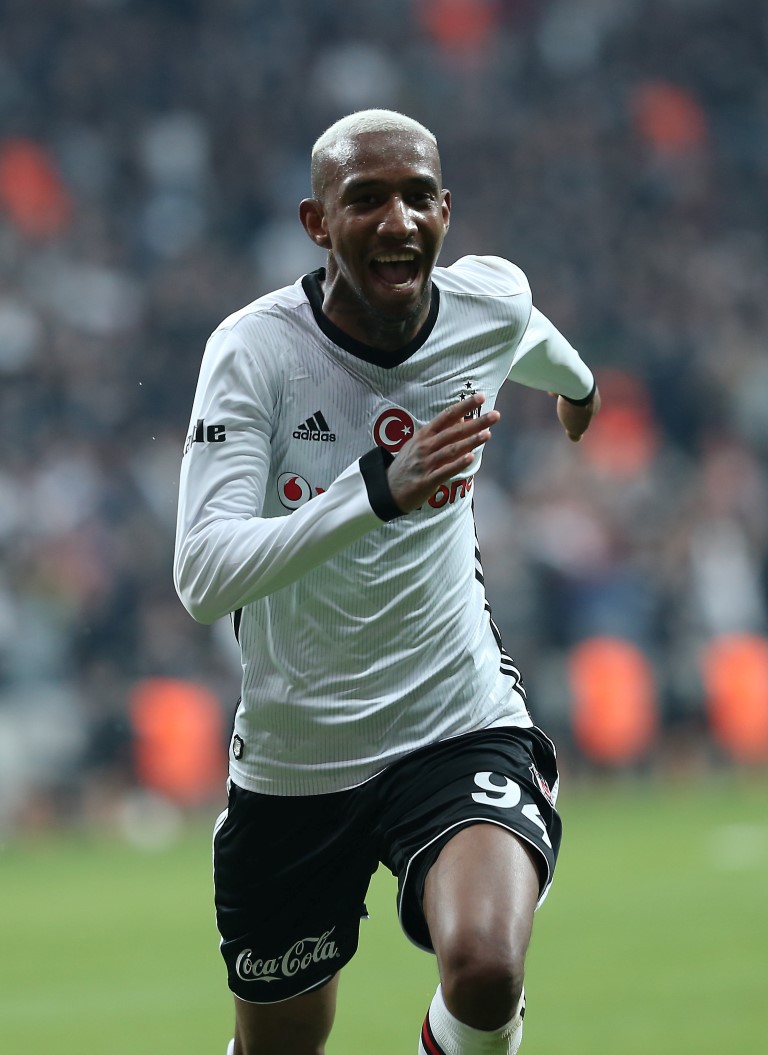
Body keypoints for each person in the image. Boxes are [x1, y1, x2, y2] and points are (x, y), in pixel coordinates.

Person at [174, 109, 599, 1055]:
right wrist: (376, 490)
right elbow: (202, 574)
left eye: (416, 198)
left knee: (485, 967)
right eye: (365, 199)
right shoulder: (254, 352)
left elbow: (532, 338)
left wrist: (580, 390)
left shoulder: (488, 302)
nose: (396, 220)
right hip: (297, 755)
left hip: (455, 718)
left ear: (445, 213)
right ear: (317, 222)